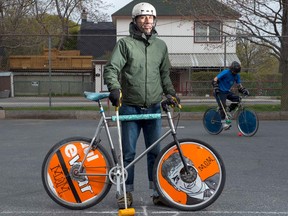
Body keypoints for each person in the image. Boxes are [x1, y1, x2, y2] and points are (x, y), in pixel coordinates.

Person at [103, 2, 179, 209]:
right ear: (135, 20)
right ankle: (125, 193)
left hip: (153, 108)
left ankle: (158, 192)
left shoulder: (160, 46)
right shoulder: (125, 44)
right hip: (130, 107)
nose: (147, 21)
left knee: (155, 153)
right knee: (128, 153)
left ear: (154, 20)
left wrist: (171, 93)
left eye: (150, 17)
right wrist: (114, 88)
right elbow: (111, 68)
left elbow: (164, 75)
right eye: (143, 17)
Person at [212, 61, 249, 130]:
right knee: (223, 105)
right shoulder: (226, 72)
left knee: (238, 99)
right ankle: (223, 123)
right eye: (234, 72)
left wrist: (243, 90)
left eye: (236, 72)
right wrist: (216, 87)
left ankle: (228, 110)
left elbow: (239, 85)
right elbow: (215, 79)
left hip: (226, 92)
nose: (235, 73)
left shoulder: (237, 75)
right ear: (231, 69)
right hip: (219, 91)